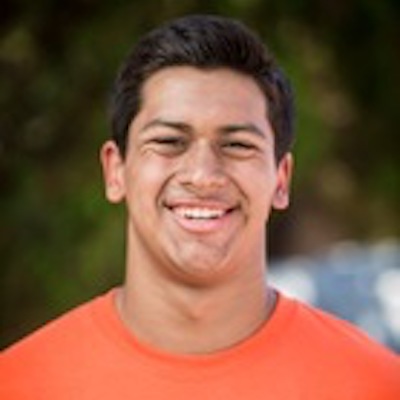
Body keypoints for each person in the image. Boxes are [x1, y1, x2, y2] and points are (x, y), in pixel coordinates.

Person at [1, 14, 399, 399]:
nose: (203, 175)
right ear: (116, 170)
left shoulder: (376, 386)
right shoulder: (19, 385)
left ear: (281, 180)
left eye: (237, 145)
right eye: (169, 142)